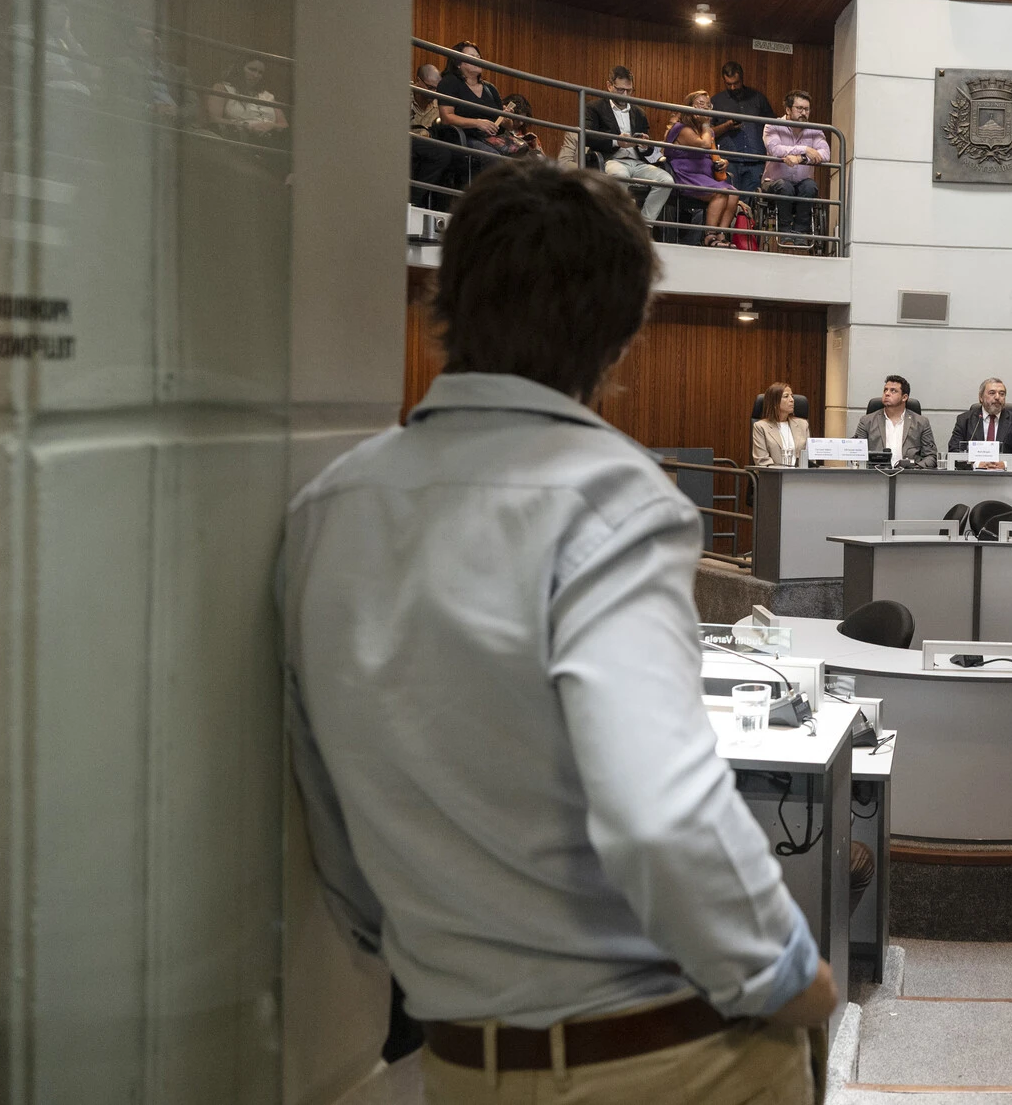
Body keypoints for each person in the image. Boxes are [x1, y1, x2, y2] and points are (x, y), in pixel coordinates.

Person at [282, 166, 837, 1105]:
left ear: (444, 300)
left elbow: (329, 812)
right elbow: (661, 811)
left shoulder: (327, 509)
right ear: (621, 336)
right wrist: (787, 970)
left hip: (461, 1062)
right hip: (672, 1060)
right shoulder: (614, 501)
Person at [583, 65, 676, 228]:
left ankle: (643, 226)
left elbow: (648, 149)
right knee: (620, 175)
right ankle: (617, 226)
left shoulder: (639, 112)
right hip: (612, 159)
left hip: (638, 162)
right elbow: (588, 137)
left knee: (667, 180)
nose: (625, 95)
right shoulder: (595, 107)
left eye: (629, 90)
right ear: (609, 85)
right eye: (620, 90)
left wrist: (644, 145)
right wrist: (616, 141)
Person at [665, 89, 743, 247]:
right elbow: (704, 144)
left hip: (705, 175)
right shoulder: (681, 128)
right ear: (690, 108)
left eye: (709, 105)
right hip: (686, 175)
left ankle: (721, 235)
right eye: (701, 104)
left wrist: (723, 162)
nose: (706, 109)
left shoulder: (707, 131)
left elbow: (712, 153)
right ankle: (710, 236)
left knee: (734, 194)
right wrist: (707, 125)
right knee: (721, 193)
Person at [760, 90, 832, 248]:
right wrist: (805, 149)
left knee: (810, 186)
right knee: (784, 186)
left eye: (807, 109)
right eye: (799, 108)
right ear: (788, 109)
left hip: (801, 184)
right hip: (774, 182)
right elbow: (775, 149)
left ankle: (800, 233)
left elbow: (825, 154)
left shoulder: (815, 130)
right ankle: (785, 232)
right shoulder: (772, 125)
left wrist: (800, 158)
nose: (804, 113)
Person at [435, 41, 506, 186]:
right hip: (464, 137)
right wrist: (478, 123)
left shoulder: (490, 88)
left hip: (492, 138)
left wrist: (508, 117)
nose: (477, 60)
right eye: (472, 57)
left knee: (528, 157)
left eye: (478, 57)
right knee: (492, 157)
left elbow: (505, 123)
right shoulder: (449, 82)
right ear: (458, 63)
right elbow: (447, 117)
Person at [711, 61, 774, 199]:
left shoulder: (758, 99)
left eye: (736, 83)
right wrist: (726, 126)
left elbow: (773, 126)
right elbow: (707, 133)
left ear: (742, 78)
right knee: (727, 200)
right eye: (728, 84)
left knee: (751, 202)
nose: (733, 87)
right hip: (728, 160)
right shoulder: (716, 101)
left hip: (755, 160)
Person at [853, 375, 939, 469]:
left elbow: (931, 456)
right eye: (885, 390)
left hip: (910, 475)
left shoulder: (921, 422)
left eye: (893, 391)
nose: (887, 393)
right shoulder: (866, 421)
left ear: (904, 397)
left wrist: (915, 468)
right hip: (876, 474)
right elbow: (856, 453)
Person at [409, 64, 461, 209]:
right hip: (405, 139)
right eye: (430, 87)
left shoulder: (439, 103)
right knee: (441, 154)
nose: (433, 93)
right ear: (418, 81)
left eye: (437, 89)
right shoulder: (404, 95)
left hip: (428, 144)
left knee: (448, 155)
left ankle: (421, 203)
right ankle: (413, 200)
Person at [947, 378, 1012, 463]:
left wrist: (1004, 464)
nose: (997, 397)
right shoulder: (964, 420)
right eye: (992, 393)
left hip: (1005, 471)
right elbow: (954, 450)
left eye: (1002, 394)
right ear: (981, 397)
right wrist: (976, 464)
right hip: (974, 471)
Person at [208, 56, 286, 139]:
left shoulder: (267, 95)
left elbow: (284, 124)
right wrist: (246, 126)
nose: (256, 75)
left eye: (260, 73)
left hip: (271, 137)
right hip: (239, 136)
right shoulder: (222, 88)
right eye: (252, 70)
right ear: (240, 68)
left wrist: (271, 126)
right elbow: (214, 119)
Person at [751, 381, 809, 467]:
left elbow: (809, 457)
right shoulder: (761, 427)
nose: (792, 400)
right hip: (774, 474)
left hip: (800, 474)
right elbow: (762, 461)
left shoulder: (803, 425)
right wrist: (782, 472)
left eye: (792, 396)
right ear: (774, 402)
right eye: (786, 396)